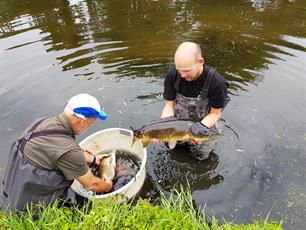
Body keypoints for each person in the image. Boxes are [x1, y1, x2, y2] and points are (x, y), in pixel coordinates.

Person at [1, 93, 112, 211]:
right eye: (92, 122)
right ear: (83, 121)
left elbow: (60, 150)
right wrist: (108, 184)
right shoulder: (68, 150)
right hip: (30, 209)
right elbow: (92, 185)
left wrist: (94, 159)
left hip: (12, 191)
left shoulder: (41, 122)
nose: (90, 126)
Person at [160, 41, 230, 160]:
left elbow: (215, 114)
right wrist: (164, 129)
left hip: (205, 125)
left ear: (200, 62)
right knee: (172, 150)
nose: (182, 75)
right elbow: (169, 106)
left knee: (199, 157)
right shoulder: (172, 75)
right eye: (179, 70)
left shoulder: (217, 83)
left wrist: (198, 132)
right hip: (177, 125)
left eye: (187, 70)